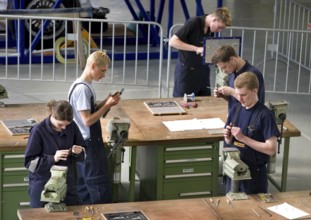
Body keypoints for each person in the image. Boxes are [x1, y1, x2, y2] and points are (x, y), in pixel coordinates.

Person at [68, 50, 121, 204]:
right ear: (92, 65)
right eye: (102, 71)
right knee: (98, 185)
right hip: (89, 144)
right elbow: (87, 120)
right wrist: (108, 106)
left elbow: (90, 110)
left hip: (83, 142)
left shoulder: (83, 84)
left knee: (84, 186)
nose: (104, 75)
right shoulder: (83, 90)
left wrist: (106, 101)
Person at [223, 72, 280, 194]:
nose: (240, 98)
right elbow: (229, 141)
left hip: (253, 176)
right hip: (233, 169)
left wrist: (243, 138)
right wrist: (228, 138)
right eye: (238, 94)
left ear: (255, 91)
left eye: (243, 95)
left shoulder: (265, 116)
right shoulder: (236, 109)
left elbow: (271, 149)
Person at [24, 100, 85, 208]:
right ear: (53, 116)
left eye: (67, 124)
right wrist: (53, 158)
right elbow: (30, 164)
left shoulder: (72, 127)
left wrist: (77, 152)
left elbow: (83, 154)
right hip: (43, 184)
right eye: (61, 124)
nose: (64, 128)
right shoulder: (38, 131)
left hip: (67, 184)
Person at [169, 7, 232, 97]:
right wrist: (196, 49)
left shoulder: (210, 29)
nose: (219, 30)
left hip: (203, 71)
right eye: (219, 27)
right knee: (184, 102)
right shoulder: (193, 22)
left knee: (205, 101)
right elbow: (173, 41)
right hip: (187, 71)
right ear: (214, 19)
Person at [211, 45, 265, 112]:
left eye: (224, 67)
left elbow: (255, 103)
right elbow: (237, 102)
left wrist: (231, 91)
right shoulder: (232, 72)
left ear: (232, 59)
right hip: (234, 117)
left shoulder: (253, 74)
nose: (224, 71)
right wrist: (224, 95)